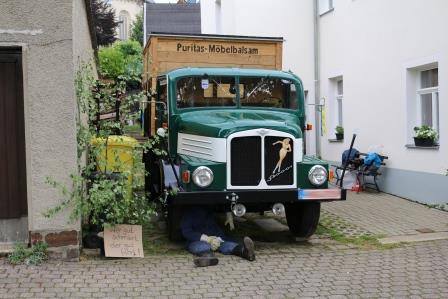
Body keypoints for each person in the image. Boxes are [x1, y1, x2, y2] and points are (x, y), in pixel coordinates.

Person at [180, 206, 255, 267]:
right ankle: (208, 258)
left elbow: (223, 202)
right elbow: (187, 232)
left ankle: (245, 251)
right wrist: (207, 239)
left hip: (216, 236)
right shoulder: (189, 213)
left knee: (227, 245)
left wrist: (229, 215)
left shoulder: (210, 208)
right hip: (198, 240)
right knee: (201, 246)